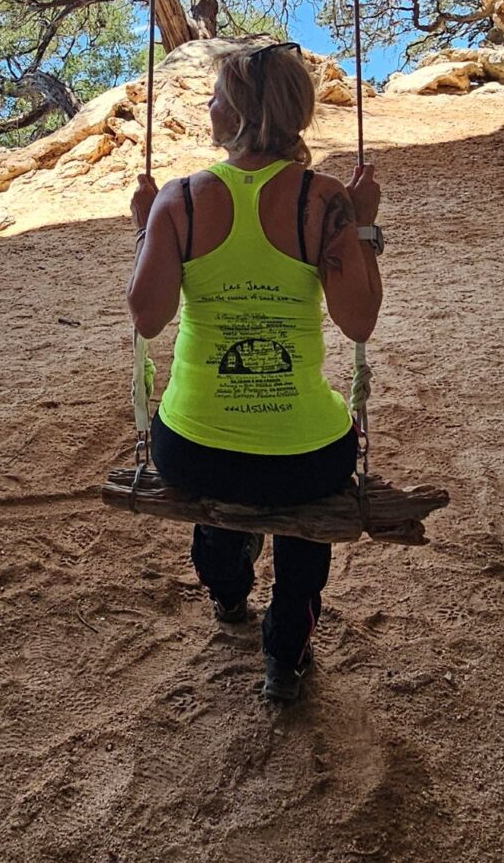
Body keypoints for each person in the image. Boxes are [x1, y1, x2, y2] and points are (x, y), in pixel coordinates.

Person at [125, 41, 383, 703]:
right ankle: (286, 652)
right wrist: (363, 228)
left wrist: (146, 230)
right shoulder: (325, 200)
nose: (208, 105)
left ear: (239, 112)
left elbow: (148, 318)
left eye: (215, 96)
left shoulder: (179, 200)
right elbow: (358, 322)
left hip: (195, 452)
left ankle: (227, 582)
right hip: (306, 459)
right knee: (307, 504)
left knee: (222, 495)